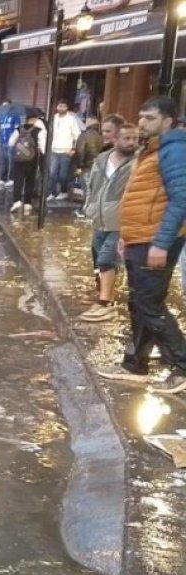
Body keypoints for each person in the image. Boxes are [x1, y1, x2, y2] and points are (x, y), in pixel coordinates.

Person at [98, 97, 186, 393]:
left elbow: (181, 199)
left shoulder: (173, 150)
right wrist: (126, 235)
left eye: (150, 118)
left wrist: (160, 244)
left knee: (149, 303)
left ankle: (182, 365)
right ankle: (135, 364)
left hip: (155, 239)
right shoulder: (151, 150)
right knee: (138, 303)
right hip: (139, 238)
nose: (143, 123)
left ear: (168, 121)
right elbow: (141, 197)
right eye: (141, 117)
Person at [80, 123, 136, 323]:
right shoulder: (102, 159)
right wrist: (89, 206)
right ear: (116, 140)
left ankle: (106, 304)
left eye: (134, 138)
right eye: (127, 138)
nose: (131, 143)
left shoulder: (137, 162)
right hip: (99, 218)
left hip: (120, 221)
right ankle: (106, 295)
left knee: (106, 259)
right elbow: (92, 185)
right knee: (99, 258)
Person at [8, 112, 46, 215]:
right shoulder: (39, 130)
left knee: (18, 180)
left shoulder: (18, 128)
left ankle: (17, 202)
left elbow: (10, 142)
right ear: (34, 120)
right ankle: (28, 203)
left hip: (18, 159)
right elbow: (43, 148)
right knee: (30, 180)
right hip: (31, 159)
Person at [48, 101, 82, 200]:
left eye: (64, 106)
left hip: (66, 150)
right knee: (52, 173)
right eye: (60, 106)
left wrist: (73, 149)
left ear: (67, 107)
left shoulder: (71, 119)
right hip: (54, 150)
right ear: (57, 107)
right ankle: (52, 193)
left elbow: (77, 135)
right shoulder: (53, 118)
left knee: (63, 174)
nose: (61, 108)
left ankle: (63, 192)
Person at [0, 100, 22, 188]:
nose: (4, 107)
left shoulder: (15, 115)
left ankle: (12, 179)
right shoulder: (1, 116)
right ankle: (3, 179)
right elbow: (1, 127)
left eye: (6, 105)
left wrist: (14, 139)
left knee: (11, 162)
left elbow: (18, 129)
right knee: (4, 162)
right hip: (3, 142)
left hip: (11, 143)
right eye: (3, 106)